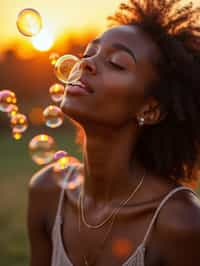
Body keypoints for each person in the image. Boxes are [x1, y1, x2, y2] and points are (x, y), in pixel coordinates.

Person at [28, 0, 200, 265]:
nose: (85, 64)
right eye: (87, 54)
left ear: (151, 109)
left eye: (116, 63)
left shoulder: (180, 223)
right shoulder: (46, 191)